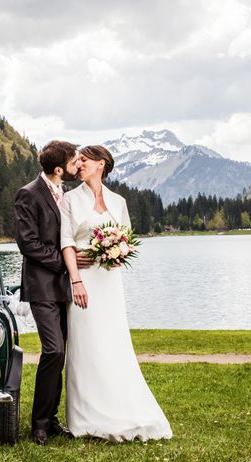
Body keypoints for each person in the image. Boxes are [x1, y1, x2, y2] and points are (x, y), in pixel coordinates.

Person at [60, 145, 173, 442]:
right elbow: (66, 243)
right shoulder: (69, 200)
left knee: (113, 341)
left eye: (84, 160)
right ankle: (84, 417)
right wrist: (75, 281)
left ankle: (121, 406)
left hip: (110, 282)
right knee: (85, 344)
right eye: (78, 160)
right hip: (83, 280)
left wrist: (117, 251)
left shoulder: (118, 201)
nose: (78, 165)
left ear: (101, 164)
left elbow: (127, 239)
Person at [14, 140, 92, 446]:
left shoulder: (67, 195)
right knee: (53, 350)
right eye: (74, 162)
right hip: (41, 287)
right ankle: (39, 424)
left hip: (63, 287)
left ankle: (52, 419)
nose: (77, 166)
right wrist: (65, 261)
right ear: (59, 169)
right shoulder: (28, 194)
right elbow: (28, 244)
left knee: (61, 354)